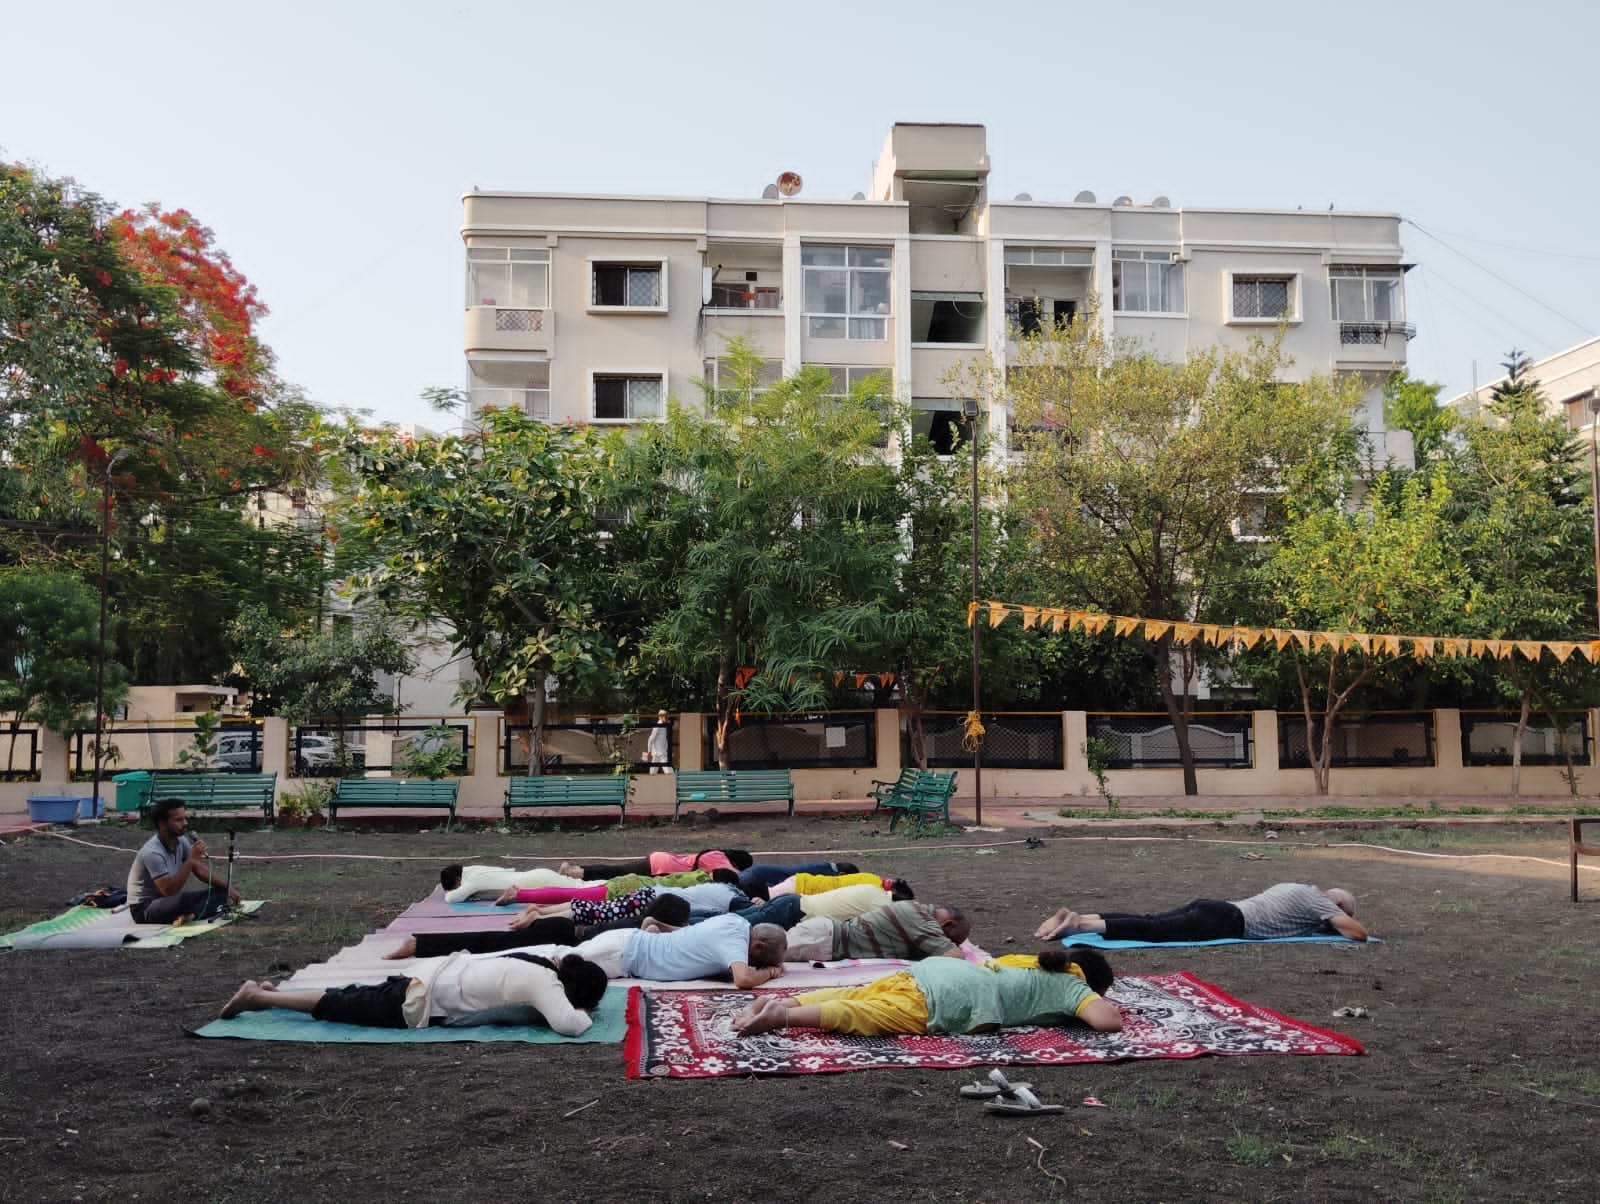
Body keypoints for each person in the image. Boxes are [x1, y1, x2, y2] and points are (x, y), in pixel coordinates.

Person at [731, 947, 1123, 1038]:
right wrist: (1091, 1001)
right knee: (869, 1015)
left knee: (861, 994)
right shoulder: (1071, 983)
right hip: (957, 996)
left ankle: (778, 1002)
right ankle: (782, 1018)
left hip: (935, 970)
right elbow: (1107, 1022)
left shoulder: (1031, 961)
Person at [220, 950, 607, 1036]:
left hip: (427, 975)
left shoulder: (537, 962)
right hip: (419, 998)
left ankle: (271, 992)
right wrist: (587, 1014)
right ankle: (259, 997)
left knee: (351, 995)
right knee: (340, 1005)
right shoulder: (546, 984)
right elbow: (569, 1025)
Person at [1034, 883, 1368, 943]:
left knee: (1153, 921)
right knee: (1155, 930)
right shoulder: (1320, 902)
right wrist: (1333, 923)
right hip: (1228, 921)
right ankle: (1077, 926)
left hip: (1218, 908)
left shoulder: (1294, 887)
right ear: (1336, 906)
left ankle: (1084, 917)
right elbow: (1357, 932)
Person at [382, 896, 694, 960]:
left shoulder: (641, 922)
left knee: (493, 946)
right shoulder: (647, 926)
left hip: (562, 931)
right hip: (560, 933)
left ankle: (420, 943)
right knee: (490, 944)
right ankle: (418, 942)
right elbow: (656, 926)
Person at [524, 913, 788, 987]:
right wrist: (771, 973)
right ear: (757, 946)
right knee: (554, 962)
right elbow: (743, 980)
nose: (752, 964)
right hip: (623, 955)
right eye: (759, 961)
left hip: (626, 943)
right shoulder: (734, 942)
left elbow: (689, 936)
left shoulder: (736, 922)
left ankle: (496, 961)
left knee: (554, 955)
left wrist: (658, 925)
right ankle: (498, 965)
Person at [125, 798, 240, 924]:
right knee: (184, 900)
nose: (185, 823)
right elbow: (169, 890)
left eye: (185, 818)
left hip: (168, 901)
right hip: (145, 907)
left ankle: (191, 914)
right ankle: (193, 912)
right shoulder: (152, 852)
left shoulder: (181, 841)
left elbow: (198, 869)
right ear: (162, 824)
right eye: (179, 820)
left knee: (221, 892)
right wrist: (191, 860)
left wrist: (228, 887)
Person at [783, 900, 970, 963]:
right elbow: (955, 957)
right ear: (947, 925)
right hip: (823, 939)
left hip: (825, 937)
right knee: (759, 957)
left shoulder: (917, 911)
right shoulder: (922, 921)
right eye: (952, 939)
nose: (952, 943)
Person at [438, 863, 586, 904]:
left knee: (583, 889)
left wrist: (449, 893)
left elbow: (452, 898)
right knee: (581, 886)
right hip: (535, 877)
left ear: (458, 880)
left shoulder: (473, 879)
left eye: (456, 887)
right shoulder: (473, 870)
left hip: (535, 881)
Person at [558, 850, 754, 880]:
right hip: (663, 867)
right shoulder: (719, 858)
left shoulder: (718, 854)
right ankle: (576, 872)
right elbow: (735, 876)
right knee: (618, 873)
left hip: (662, 861)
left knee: (619, 871)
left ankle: (576, 870)